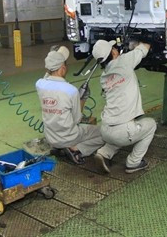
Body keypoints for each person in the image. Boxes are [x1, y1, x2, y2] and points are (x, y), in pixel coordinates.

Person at [36, 46, 114, 164]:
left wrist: (54, 56)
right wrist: (82, 98)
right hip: (69, 137)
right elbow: (76, 119)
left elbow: (47, 75)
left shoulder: (40, 84)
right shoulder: (70, 90)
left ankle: (61, 148)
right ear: (62, 69)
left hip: (50, 137)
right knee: (105, 134)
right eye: (65, 66)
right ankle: (77, 150)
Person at [91, 39, 156, 174]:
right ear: (114, 52)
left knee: (118, 134)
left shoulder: (103, 77)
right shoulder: (125, 62)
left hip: (106, 129)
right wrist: (141, 41)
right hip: (122, 132)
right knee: (151, 125)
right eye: (114, 48)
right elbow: (145, 46)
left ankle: (104, 153)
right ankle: (134, 162)